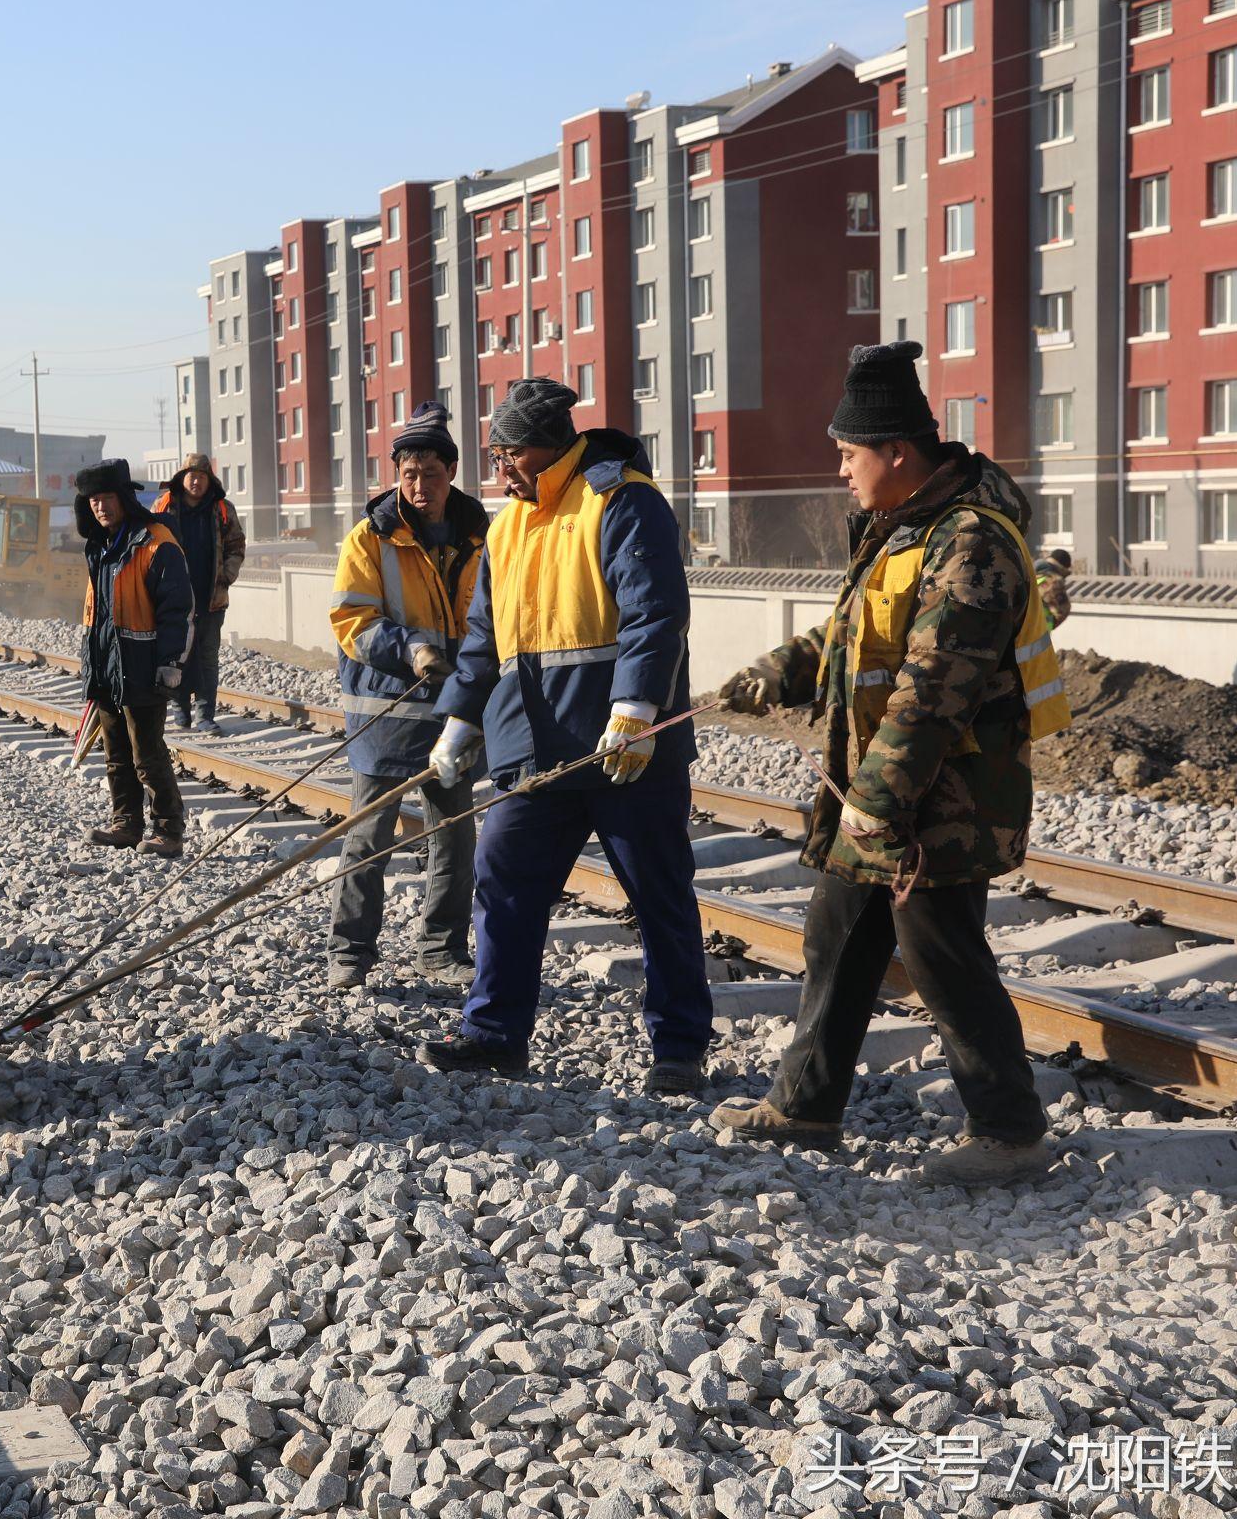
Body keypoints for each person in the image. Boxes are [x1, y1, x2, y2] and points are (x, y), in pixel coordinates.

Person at [713, 341, 1067, 1186]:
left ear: (896, 453)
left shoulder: (970, 545)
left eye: (846, 454)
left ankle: (1009, 1131)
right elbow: (856, 638)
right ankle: (804, 1105)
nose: (838, 470)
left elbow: (931, 691)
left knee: (940, 952)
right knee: (836, 935)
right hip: (886, 792)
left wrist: (875, 803)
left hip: (942, 799)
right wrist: (782, 668)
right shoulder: (902, 531)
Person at [428, 379, 709, 1092]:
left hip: (624, 750)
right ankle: (493, 1033)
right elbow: (485, 636)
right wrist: (462, 716)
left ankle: (678, 1049)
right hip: (533, 747)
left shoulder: (621, 500)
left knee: (657, 895)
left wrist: (636, 708)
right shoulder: (506, 527)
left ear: (549, 447)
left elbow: (654, 613)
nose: (499, 469)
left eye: (510, 453)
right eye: (495, 455)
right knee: (504, 884)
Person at [326, 404, 489, 990]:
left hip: (454, 711)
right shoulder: (369, 538)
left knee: (454, 833)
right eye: (409, 474)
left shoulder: (483, 536)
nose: (420, 485)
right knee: (369, 835)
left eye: (431, 473)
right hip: (388, 715)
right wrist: (412, 650)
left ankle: (441, 950)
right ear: (397, 475)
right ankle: (350, 952)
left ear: (451, 473)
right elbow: (351, 619)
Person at [75, 458, 192, 859]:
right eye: (94, 501)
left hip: (142, 666)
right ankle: (126, 823)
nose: (101, 507)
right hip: (108, 668)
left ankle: (168, 830)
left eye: (107, 498)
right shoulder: (101, 546)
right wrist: (92, 667)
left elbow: (177, 608)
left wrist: (171, 662)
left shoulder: (156, 542)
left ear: (124, 498)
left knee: (148, 754)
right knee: (116, 755)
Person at [151, 453, 247, 730]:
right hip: (174, 601)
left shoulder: (222, 509)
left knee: (207, 658)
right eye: (191, 476)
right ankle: (181, 712)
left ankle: (206, 716)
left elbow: (237, 546)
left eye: (202, 476)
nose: (196, 481)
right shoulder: (164, 506)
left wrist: (227, 576)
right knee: (178, 656)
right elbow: (150, 544)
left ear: (209, 481)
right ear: (182, 479)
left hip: (211, 599)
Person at [1034, 547, 1072, 629]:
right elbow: (1062, 610)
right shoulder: (1054, 580)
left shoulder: (1032, 574)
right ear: (1064, 567)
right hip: (1038, 630)